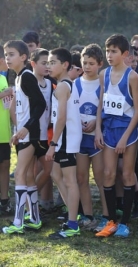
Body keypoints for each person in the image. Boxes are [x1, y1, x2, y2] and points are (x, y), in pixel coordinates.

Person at [94, 34, 138, 238]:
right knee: (108, 174)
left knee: (128, 174)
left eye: (114, 51)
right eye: (108, 51)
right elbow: (101, 104)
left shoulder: (132, 76)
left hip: (128, 131)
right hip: (109, 130)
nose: (110, 55)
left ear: (124, 54)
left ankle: (125, 222)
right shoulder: (103, 74)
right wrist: (97, 128)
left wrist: (125, 138)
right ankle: (111, 219)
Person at [2, 40, 46, 234]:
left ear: (23, 57)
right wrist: (17, 131)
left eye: (11, 54)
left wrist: (26, 129)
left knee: (19, 174)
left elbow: (40, 104)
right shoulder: (19, 78)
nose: (7, 58)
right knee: (27, 175)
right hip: (24, 135)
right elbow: (23, 109)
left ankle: (18, 223)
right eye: (5, 54)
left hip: (31, 135)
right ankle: (34, 219)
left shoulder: (27, 76)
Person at [45, 48, 82, 239]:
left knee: (69, 180)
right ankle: (72, 217)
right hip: (65, 139)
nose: (49, 66)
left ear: (65, 64)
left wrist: (53, 144)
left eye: (52, 62)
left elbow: (61, 119)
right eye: (48, 63)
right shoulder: (66, 84)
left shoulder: (62, 87)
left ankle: (73, 223)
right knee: (55, 174)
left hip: (65, 139)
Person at [75, 43, 108, 231]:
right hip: (80, 139)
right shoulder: (76, 83)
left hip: (97, 139)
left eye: (91, 63)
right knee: (81, 178)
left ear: (100, 64)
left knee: (101, 179)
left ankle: (105, 216)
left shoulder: (104, 84)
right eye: (84, 62)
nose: (87, 66)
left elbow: (106, 110)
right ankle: (88, 215)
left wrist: (97, 123)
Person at [28, 48, 53, 214]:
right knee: (28, 173)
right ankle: (28, 207)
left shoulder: (50, 83)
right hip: (29, 135)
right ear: (33, 63)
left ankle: (30, 201)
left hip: (45, 135)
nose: (47, 66)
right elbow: (16, 109)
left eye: (49, 63)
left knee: (48, 169)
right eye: (44, 63)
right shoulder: (27, 81)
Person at [0, 45, 12, 216]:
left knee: (5, 165)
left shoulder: (3, 79)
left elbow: (7, 107)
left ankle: (4, 201)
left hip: (4, 133)